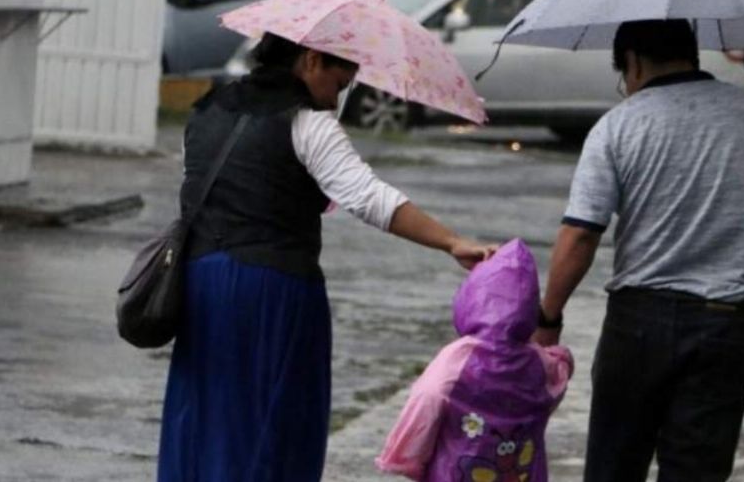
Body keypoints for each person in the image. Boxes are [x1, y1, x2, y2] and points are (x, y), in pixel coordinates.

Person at [157, 32, 496, 482]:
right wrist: (452, 241)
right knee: (272, 429)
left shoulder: (206, 109)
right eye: (340, 85)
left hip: (200, 284)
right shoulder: (307, 123)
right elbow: (368, 197)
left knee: (205, 420)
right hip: (272, 292)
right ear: (312, 60)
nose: (337, 101)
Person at [532, 19, 744, 482]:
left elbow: (581, 233)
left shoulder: (617, 125)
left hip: (638, 324)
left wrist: (548, 319)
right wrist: (725, 204)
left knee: (614, 468)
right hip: (726, 324)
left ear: (634, 62)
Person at [376, 239, 572, 481]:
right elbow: (558, 380)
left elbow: (427, 398)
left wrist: (407, 457)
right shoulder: (538, 362)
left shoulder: (459, 357)